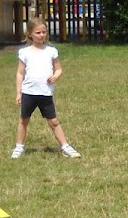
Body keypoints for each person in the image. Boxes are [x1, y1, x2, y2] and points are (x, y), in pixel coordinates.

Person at [11, 18, 80, 160]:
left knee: (53, 122)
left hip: (45, 93)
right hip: (28, 93)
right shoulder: (25, 53)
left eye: (44, 32)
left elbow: (59, 69)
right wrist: (18, 92)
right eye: (38, 32)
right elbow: (20, 73)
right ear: (30, 34)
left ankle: (65, 147)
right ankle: (19, 147)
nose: (41, 35)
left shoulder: (51, 51)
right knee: (24, 120)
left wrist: (56, 76)